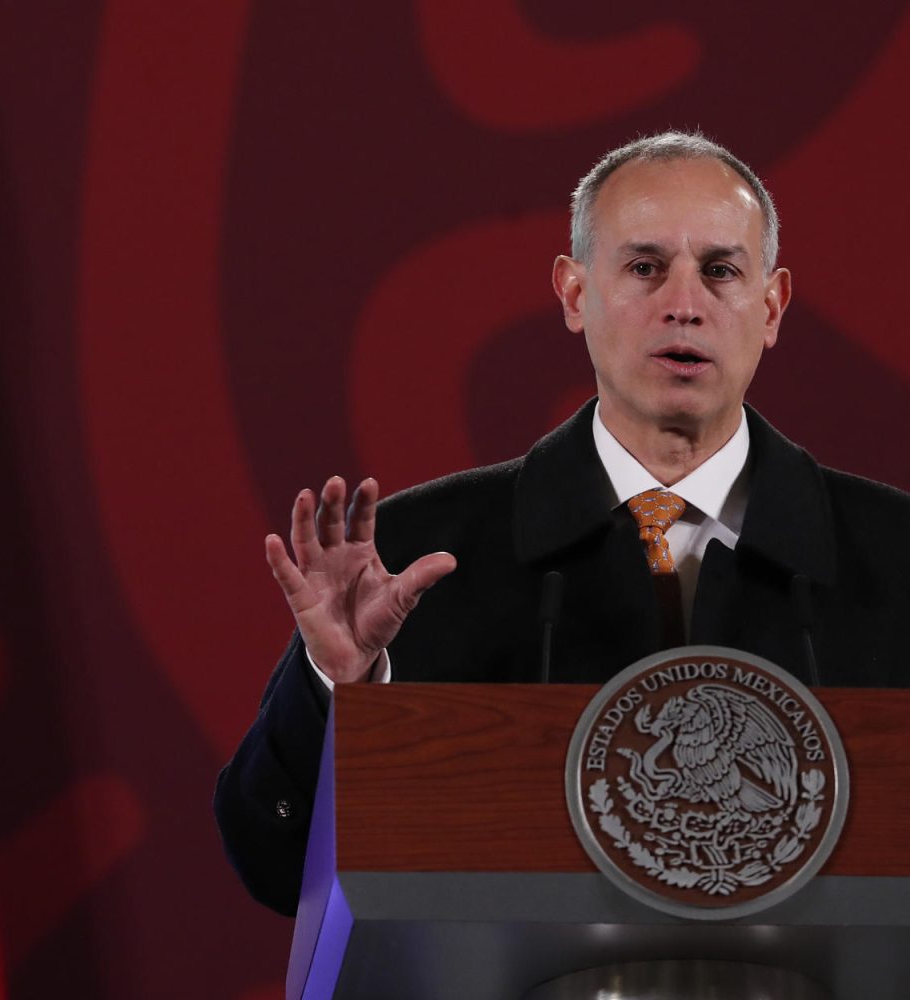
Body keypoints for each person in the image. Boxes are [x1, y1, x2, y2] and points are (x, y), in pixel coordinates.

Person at [214, 132, 910, 916]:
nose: (685, 303)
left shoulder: (896, 555)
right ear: (575, 295)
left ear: (772, 304)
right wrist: (336, 693)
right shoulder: (418, 562)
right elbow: (274, 864)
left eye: (720, 270)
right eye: (645, 268)